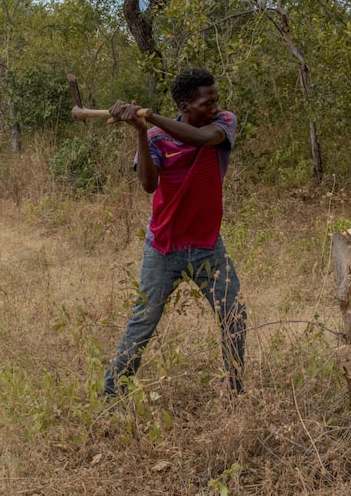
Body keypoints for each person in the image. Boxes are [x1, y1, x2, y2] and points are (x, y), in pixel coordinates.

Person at [103, 68, 246, 397]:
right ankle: (111, 396)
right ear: (185, 104)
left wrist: (150, 116)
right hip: (164, 246)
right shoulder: (156, 138)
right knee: (143, 322)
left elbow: (198, 139)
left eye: (215, 99)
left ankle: (237, 393)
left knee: (234, 314)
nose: (215, 106)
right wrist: (142, 130)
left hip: (208, 244)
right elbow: (148, 184)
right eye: (206, 102)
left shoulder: (223, 123)